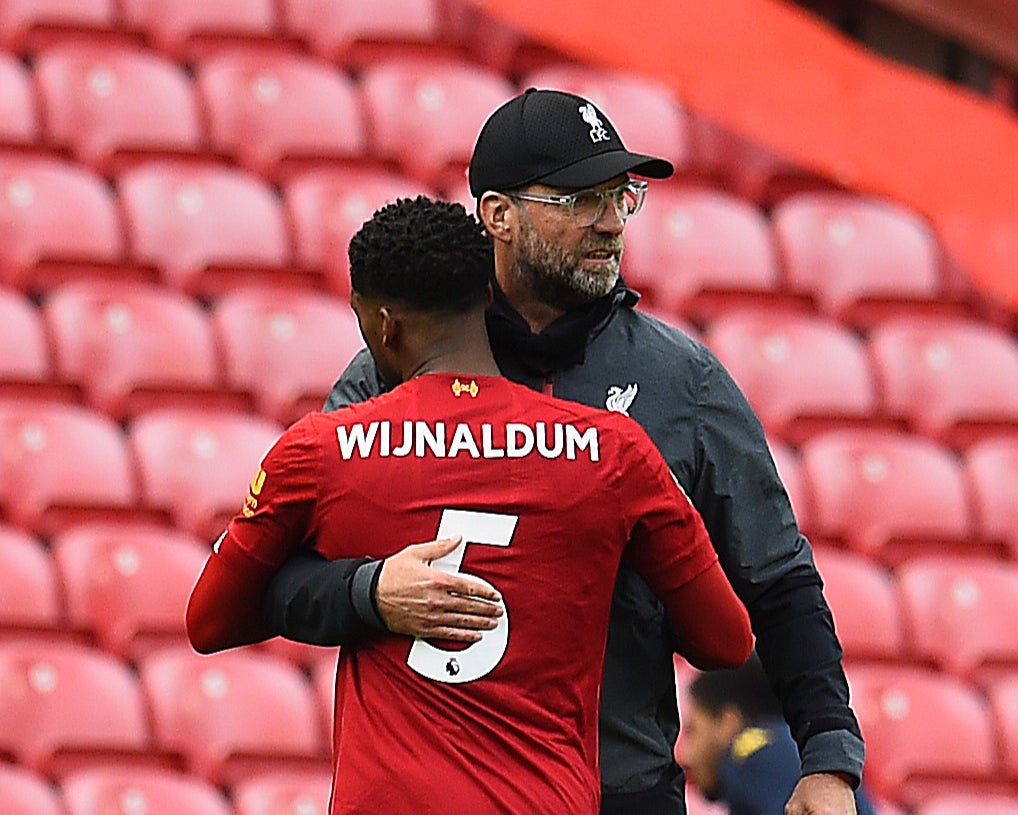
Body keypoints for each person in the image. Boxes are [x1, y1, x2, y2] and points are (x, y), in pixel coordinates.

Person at [260, 88, 865, 815]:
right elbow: (275, 578)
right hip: (437, 789)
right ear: (498, 215)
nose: (611, 222)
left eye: (622, 195)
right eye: (582, 199)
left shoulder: (684, 380)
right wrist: (371, 593)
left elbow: (778, 581)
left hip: (620, 789)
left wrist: (827, 754)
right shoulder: (388, 375)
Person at [186, 196, 754, 815]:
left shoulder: (320, 450)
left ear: (383, 324)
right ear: (488, 295)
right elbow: (726, 641)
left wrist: (365, 594)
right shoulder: (613, 451)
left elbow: (211, 620)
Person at [679, 657, 878, 815]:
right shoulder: (799, 748)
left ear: (727, 721)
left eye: (693, 730)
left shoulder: (752, 755)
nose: (686, 756)